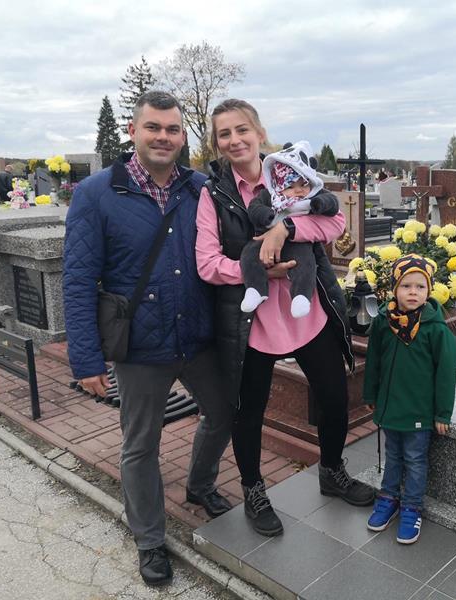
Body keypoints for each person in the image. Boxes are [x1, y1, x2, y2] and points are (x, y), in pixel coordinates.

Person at [63, 91, 235, 587]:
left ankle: (200, 484)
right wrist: (86, 359)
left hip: (197, 336)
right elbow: (78, 280)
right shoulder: (97, 194)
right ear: (133, 131)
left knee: (224, 413)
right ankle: (149, 538)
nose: (164, 137)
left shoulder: (200, 187)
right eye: (153, 127)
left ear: (183, 136)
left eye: (173, 129)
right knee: (141, 444)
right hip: (140, 345)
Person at [196, 98, 374, 537]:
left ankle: (331, 471)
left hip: (306, 308)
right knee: (249, 410)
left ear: (259, 132)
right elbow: (207, 263)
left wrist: (286, 229)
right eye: (224, 134)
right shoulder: (213, 193)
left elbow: (333, 223)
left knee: (334, 395)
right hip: (252, 318)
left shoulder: (291, 169)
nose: (235, 140)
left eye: (242, 129)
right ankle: (254, 490)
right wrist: (257, 269)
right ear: (217, 143)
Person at [363, 254, 456, 544]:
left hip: (419, 409)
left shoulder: (436, 329)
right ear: (395, 289)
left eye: (420, 286)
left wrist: (442, 413)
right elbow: (374, 361)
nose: (413, 292)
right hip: (391, 406)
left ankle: (412, 507)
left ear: (429, 290)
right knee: (393, 454)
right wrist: (371, 394)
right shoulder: (384, 322)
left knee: (415, 460)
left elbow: (446, 373)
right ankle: (388, 497)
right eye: (406, 286)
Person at [240, 141, 339, 318]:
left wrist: (320, 204)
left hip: (298, 243)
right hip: (264, 243)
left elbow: (333, 204)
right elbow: (254, 208)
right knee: (248, 255)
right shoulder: (270, 196)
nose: (299, 191)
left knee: (306, 263)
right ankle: (255, 289)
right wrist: (267, 216)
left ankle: (301, 296)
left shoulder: (313, 195)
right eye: (290, 187)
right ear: (278, 186)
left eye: (303, 184)